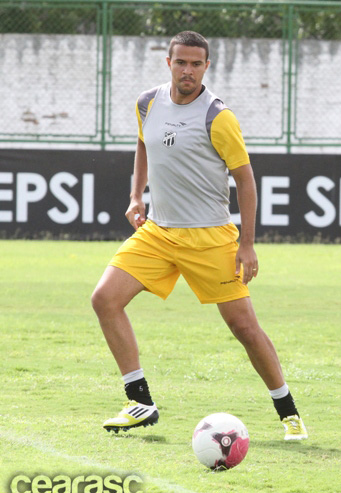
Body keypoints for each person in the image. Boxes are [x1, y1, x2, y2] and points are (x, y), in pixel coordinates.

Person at [91, 31, 307, 441]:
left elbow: (245, 180)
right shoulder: (147, 103)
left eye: (195, 63)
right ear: (168, 63)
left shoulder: (217, 116)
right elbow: (144, 143)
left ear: (206, 67)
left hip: (210, 238)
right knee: (104, 298)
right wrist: (136, 195)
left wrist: (246, 243)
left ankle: (288, 411)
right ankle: (140, 401)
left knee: (244, 327)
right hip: (157, 232)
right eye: (180, 62)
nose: (187, 70)